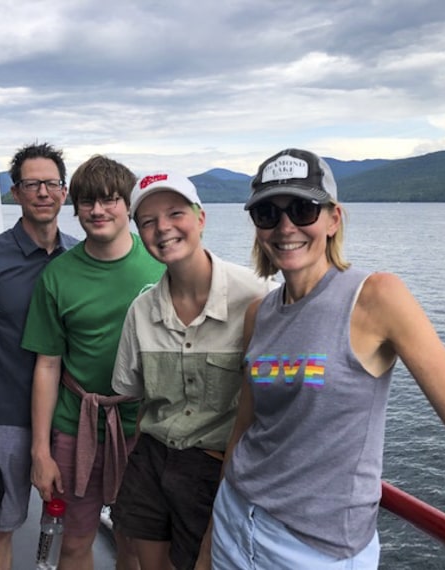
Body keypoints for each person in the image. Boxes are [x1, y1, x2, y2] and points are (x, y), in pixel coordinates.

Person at [211, 148, 445, 568]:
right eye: (268, 213)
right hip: (234, 520)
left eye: (303, 209)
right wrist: (210, 536)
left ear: (333, 218)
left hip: (315, 551)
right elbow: (245, 427)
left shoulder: (375, 298)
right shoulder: (261, 313)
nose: (286, 226)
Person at [109, 172, 274, 570]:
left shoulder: (257, 296)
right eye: (147, 221)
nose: (162, 228)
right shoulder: (142, 310)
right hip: (151, 459)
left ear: (201, 218)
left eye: (175, 213)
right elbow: (135, 395)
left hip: (216, 468)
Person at [22, 155, 165, 570]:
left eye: (110, 200)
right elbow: (47, 365)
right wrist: (40, 451)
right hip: (77, 426)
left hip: (145, 426)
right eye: (88, 202)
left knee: (136, 545)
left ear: (129, 205)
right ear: (77, 207)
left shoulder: (161, 264)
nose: (98, 211)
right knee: (74, 543)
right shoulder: (57, 276)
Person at [0, 142, 78, 570]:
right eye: (32, 184)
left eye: (51, 183)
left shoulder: (80, 258)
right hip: (3, 418)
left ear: (64, 192)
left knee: (70, 529)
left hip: (67, 419)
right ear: (15, 193)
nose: (43, 192)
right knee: (1, 525)